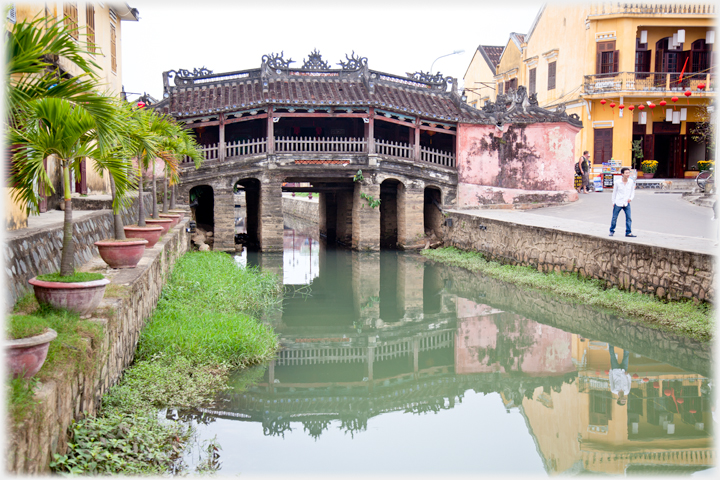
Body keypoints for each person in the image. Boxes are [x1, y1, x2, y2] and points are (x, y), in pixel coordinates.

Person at [609, 167, 636, 237]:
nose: (628, 174)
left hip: (626, 202)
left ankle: (628, 232)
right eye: (626, 173)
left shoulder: (630, 182)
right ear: (622, 174)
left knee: (629, 218)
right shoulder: (617, 182)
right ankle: (611, 230)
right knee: (614, 218)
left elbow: (632, 191)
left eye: (628, 173)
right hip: (618, 202)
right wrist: (613, 202)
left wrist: (631, 198)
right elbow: (614, 193)